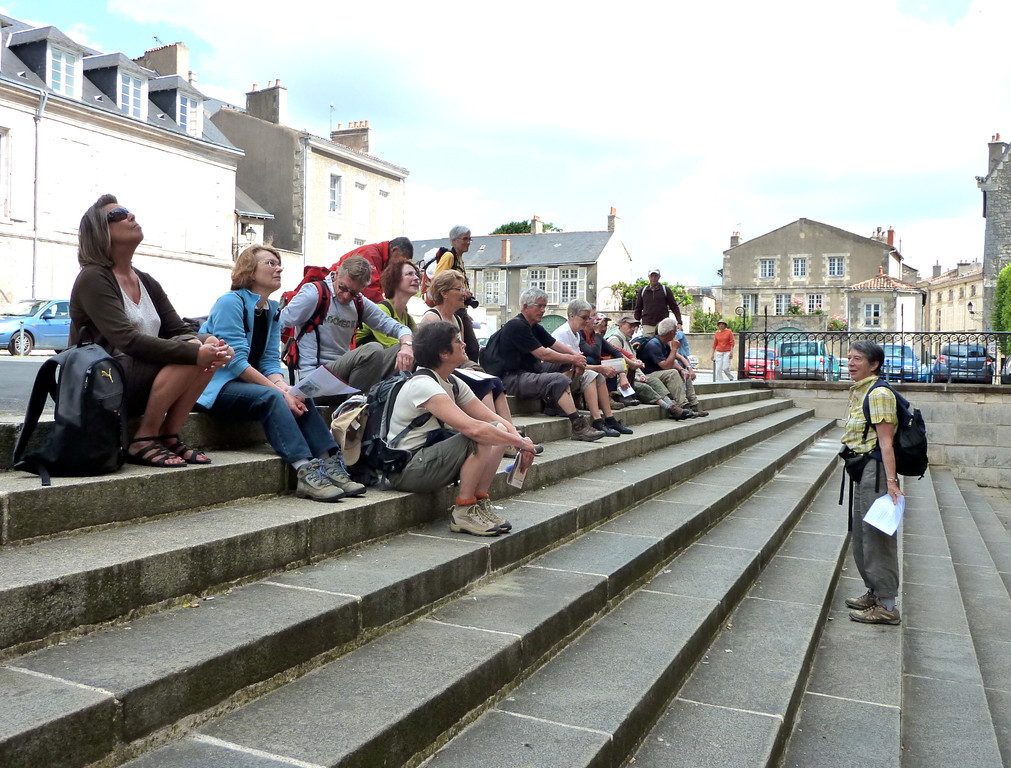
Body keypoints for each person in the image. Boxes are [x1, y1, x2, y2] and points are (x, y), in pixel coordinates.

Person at [69, 194, 233, 468]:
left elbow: (178, 329)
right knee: (192, 351)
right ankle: (143, 438)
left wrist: (216, 348)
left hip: (138, 377)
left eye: (128, 211)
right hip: (101, 384)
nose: (130, 215)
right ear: (100, 231)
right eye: (118, 214)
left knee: (208, 344)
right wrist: (196, 350)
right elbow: (127, 341)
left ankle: (169, 434)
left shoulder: (145, 280)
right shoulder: (93, 277)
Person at [197, 245, 365, 501]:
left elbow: (268, 362)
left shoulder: (272, 310)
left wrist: (286, 388)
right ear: (250, 270)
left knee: (299, 394)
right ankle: (304, 471)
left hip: (248, 386)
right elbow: (235, 362)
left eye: (279, 263)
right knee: (275, 397)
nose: (279, 268)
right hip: (216, 386)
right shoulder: (230, 302)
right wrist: (279, 391)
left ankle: (330, 461)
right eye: (270, 263)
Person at [386, 321, 537, 536]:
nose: (464, 344)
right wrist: (519, 443)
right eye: (457, 341)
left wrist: (522, 441)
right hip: (407, 469)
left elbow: (493, 418)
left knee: (497, 431)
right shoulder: (423, 384)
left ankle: (479, 503)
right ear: (443, 353)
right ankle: (464, 511)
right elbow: (473, 429)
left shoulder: (453, 382)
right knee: (481, 435)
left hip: (430, 460)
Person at [279, 255, 414, 396]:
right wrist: (276, 377)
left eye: (353, 293)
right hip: (313, 382)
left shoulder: (359, 302)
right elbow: (277, 325)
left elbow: (398, 328)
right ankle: (357, 405)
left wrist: (407, 346)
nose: (346, 296)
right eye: (342, 287)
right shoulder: (314, 294)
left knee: (412, 346)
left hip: (343, 377)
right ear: (336, 274)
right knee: (373, 350)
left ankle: (387, 398)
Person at [840, 341, 904, 625]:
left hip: (876, 471)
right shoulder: (862, 390)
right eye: (849, 358)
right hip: (863, 469)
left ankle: (887, 606)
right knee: (862, 535)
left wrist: (891, 483)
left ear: (874, 364)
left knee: (877, 537)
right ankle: (875, 592)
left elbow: (886, 443)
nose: (851, 363)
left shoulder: (878, 393)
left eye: (858, 359)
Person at [495, 288, 605, 441]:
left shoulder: (534, 327)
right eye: (539, 306)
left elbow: (555, 345)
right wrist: (573, 359)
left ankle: (554, 402)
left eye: (544, 306)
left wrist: (577, 357)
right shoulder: (517, 326)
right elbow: (543, 354)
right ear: (526, 306)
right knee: (559, 379)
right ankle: (578, 426)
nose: (543, 310)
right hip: (511, 377)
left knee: (566, 364)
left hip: (530, 372)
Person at [551, 301, 632, 436]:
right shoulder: (563, 334)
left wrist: (621, 371)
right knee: (592, 373)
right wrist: (599, 368)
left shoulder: (576, 334)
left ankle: (609, 418)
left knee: (596, 374)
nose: (588, 321)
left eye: (589, 317)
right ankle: (597, 420)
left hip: (570, 375)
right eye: (585, 317)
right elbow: (583, 358)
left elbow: (615, 352)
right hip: (559, 378)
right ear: (571, 316)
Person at [609, 315, 694, 419]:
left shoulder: (628, 341)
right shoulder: (615, 340)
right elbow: (617, 363)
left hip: (633, 377)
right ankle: (670, 408)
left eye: (635, 326)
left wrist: (641, 375)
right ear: (621, 325)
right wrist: (635, 375)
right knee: (646, 387)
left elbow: (635, 363)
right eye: (631, 326)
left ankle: (676, 406)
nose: (633, 329)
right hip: (620, 381)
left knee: (654, 381)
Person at [638, 318, 709, 417]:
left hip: (659, 372)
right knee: (672, 373)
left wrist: (682, 369)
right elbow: (666, 365)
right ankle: (683, 405)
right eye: (675, 331)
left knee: (683, 373)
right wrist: (674, 349)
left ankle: (694, 405)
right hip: (648, 375)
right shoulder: (654, 344)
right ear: (671, 332)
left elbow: (672, 361)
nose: (676, 333)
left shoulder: (664, 343)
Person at [430, 225, 480, 360]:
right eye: (465, 239)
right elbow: (437, 280)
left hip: (459, 309)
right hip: (452, 308)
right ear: (454, 241)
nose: (468, 242)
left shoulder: (458, 259)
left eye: (469, 239)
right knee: (470, 348)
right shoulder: (449, 256)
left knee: (465, 348)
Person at [355, 258, 419, 348]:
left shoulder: (407, 318)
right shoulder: (382, 310)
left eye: (416, 274)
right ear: (394, 280)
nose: (416, 278)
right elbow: (394, 346)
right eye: (409, 274)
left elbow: (421, 341)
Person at [336, 237, 413, 304]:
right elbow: (370, 291)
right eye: (402, 260)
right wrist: (388, 309)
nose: (401, 264)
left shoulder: (383, 261)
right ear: (394, 251)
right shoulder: (371, 254)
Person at [634, 268, 683, 337]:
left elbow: (674, 307)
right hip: (648, 324)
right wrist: (636, 324)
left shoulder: (665, 290)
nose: (653, 278)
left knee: (664, 342)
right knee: (648, 342)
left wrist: (679, 322)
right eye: (652, 276)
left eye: (655, 276)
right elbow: (638, 309)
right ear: (649, 277)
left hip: (663, 324)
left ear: (659, 277)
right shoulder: (642, 291)